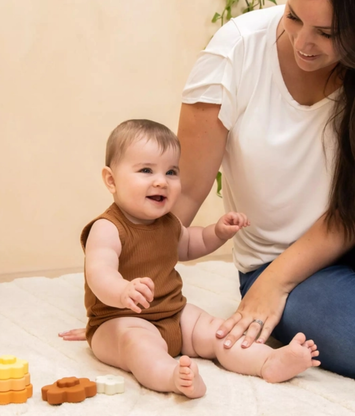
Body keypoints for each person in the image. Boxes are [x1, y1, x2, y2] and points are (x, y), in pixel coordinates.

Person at [60, 119, 320, 399]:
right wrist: (123, 291)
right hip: (119, 320)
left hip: (173, 313)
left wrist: (218, 233)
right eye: (146, 170)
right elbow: (99, 272)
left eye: (171, 172)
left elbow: (188, 244)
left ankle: (267, 361)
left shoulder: (168, 222)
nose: (161, 180)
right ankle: (171, 377)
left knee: (216, 330)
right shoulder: (107, 228)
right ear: (111, 180)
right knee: (138, 345)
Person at [175, 0, 355, 378]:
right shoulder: (237, 50)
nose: (302, 42)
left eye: (326, 33)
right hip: (287, 268)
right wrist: (125, 285)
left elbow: (349, 211)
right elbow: (186, 192)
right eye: (293, 16)